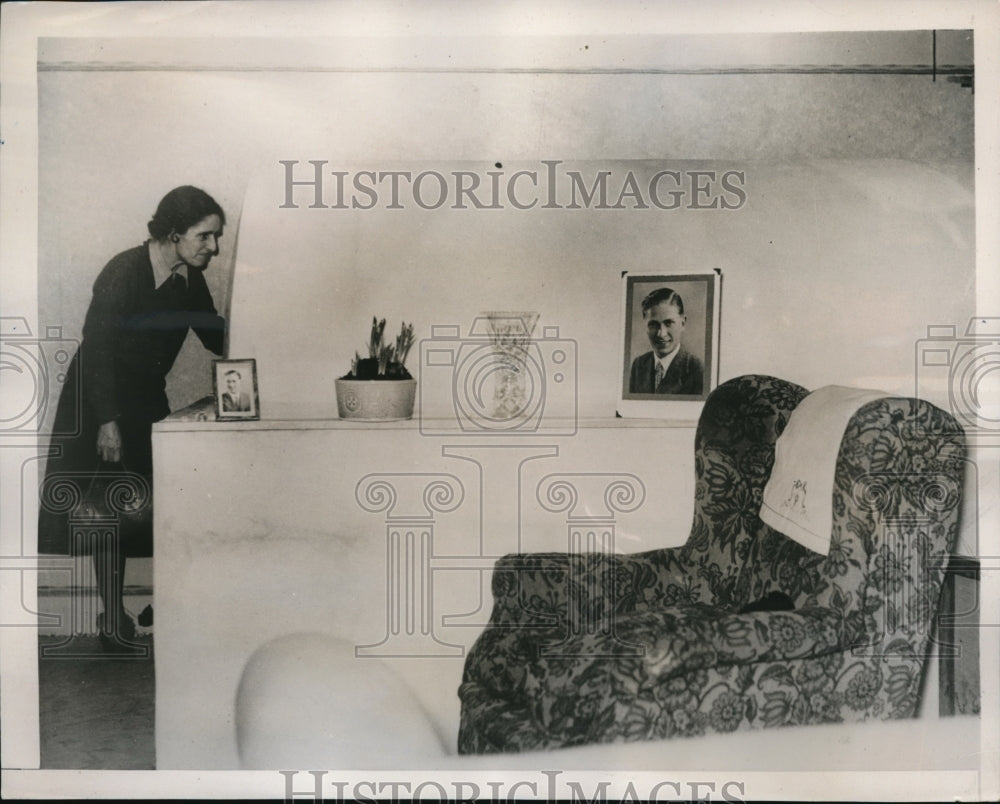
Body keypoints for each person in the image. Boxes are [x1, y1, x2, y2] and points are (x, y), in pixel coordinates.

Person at [38, 186, 227, 651]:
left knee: (150, 504)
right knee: (106, 510)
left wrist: (267, 343)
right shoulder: (123, 270)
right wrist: (108, 422)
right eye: (205, 237)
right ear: (174, 232)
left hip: (143, 400)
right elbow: (98, 348)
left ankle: (158, 610)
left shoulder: (188, 279)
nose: (214, 248)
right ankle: (112, 620)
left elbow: (216, 337)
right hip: (98, 402)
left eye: (216, 237)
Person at [628, 287, 704, 395]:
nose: (661, 333)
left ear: (683, 323)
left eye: (668, 323)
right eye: (653, 324)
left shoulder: (697, 369)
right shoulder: (638, 365)